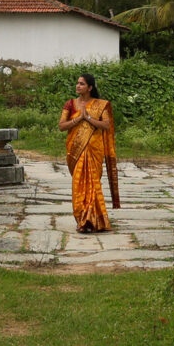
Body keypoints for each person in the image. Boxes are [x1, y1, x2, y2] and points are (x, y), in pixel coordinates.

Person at [58, 73, 120, 233]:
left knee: (93, 185)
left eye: (82, 84)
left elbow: (106, 125)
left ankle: (94, 220)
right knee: (79, 183)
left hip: (94, 150)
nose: (78, 86)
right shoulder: (70, 104)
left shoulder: (100, 105)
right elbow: (62, 126)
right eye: (77, 83)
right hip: (76, 150)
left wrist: (89, 118)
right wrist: (79, 119)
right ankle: (83, 220)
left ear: (90, 87)